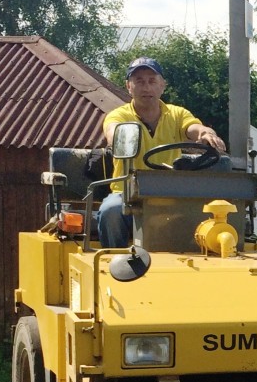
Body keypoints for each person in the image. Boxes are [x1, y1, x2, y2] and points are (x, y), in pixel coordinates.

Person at [96, 57, 228, 247]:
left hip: (168, 194)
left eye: (152, 81)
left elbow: (193, 127)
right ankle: (114, 264)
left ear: (162, 86)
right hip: (127, 194)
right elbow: (113, 131)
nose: (146, 87)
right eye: (139, 81)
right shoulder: (119, 115)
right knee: (111, 210)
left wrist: (206, 133)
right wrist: (118, 135)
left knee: (207, 211)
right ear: (129, 86)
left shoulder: (177, 114)